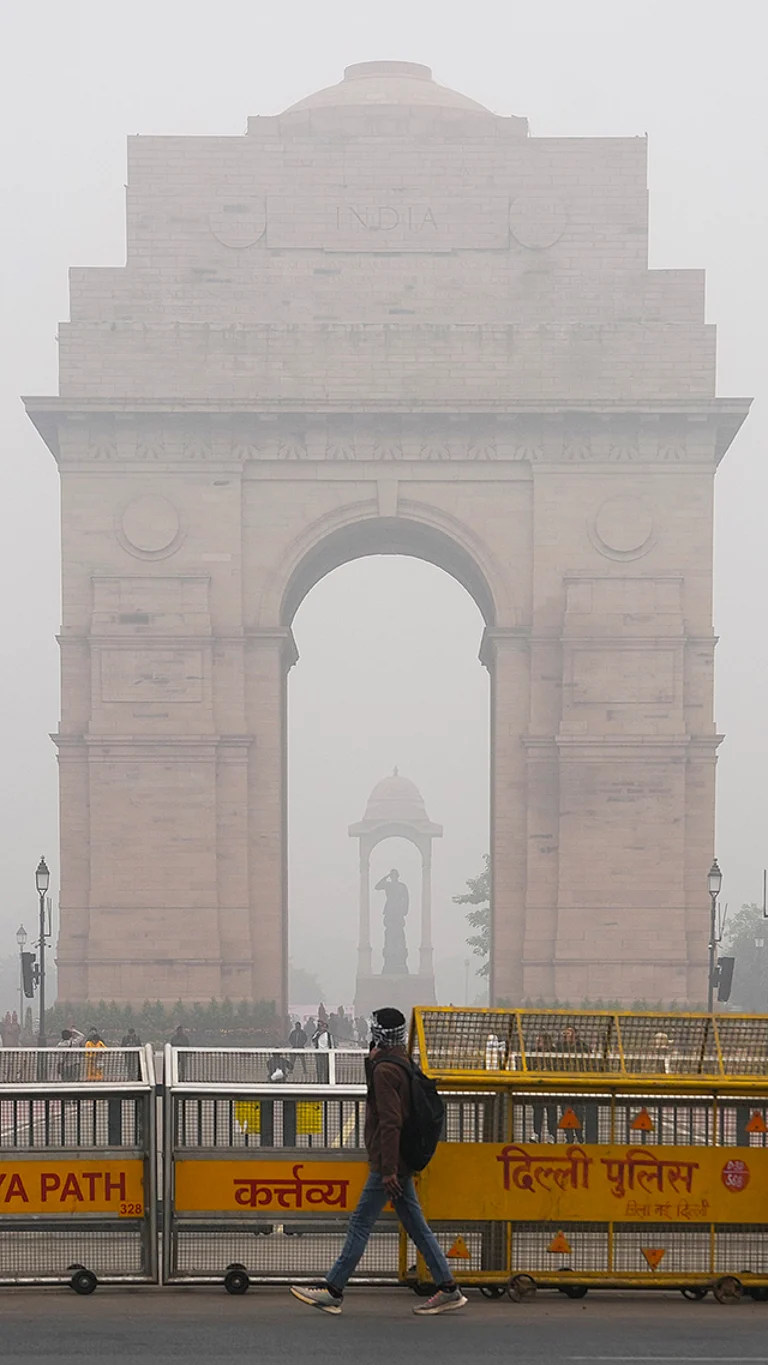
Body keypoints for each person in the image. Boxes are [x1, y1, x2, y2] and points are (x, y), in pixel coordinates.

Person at [290, 1007, 467, 1317]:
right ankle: (448, 1287)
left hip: (389, 1165)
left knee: (360, 1223)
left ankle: (333, 1290)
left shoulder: (385, 1071)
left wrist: (387, 1171)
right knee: (416, 1225)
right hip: (400, 1161)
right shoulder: (401, 1063)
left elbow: (390, 1121)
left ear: (379, 1035)